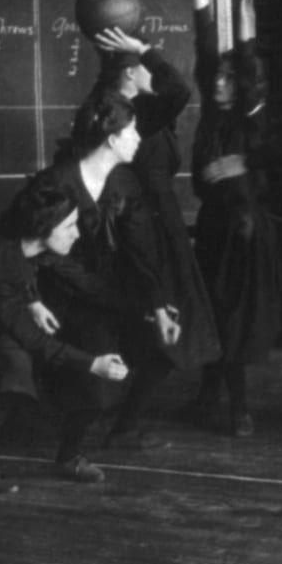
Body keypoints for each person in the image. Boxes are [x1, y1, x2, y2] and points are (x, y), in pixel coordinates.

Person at [91, 6, 222, 444]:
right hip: (150, 234)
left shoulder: (115, 105)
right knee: (165, 334)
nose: (151, 75)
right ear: (130, 75)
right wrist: (143, 49)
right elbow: (180, 88)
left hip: (149, 230)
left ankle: (112, 419)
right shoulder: (131, 113)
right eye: (143, 70)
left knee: (149, 333)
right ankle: (121, 425)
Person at [0, 180, 131, 493]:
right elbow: (32, 338)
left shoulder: (33, 246)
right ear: (44, 227)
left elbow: (55, 273)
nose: (77, 233)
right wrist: (92, 364)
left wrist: (33, 301)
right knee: (12, 367)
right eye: (70, 226)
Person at [38, 90, 182, 472]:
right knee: (98, 366)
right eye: (133, 131)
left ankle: (122, 428)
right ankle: (68, 457)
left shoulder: (124, 182)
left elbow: (141, 250)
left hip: (106, 290)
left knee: (160, 348)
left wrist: (156, 305)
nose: (138, 138)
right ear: (113, 139)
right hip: (58, 292)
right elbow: (43, 255)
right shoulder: (57, 181)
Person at [181, 0, 282, 438]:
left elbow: (247, 62)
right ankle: (208, 398)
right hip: (213, 229)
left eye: (228, 78)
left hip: (245, 233)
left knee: (235, 322)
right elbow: (206, 54)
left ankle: (238, 407)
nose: (220, 83)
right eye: (216, 79)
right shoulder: (209, 115)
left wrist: (247, 18)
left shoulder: (251, 118)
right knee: (212, 315)